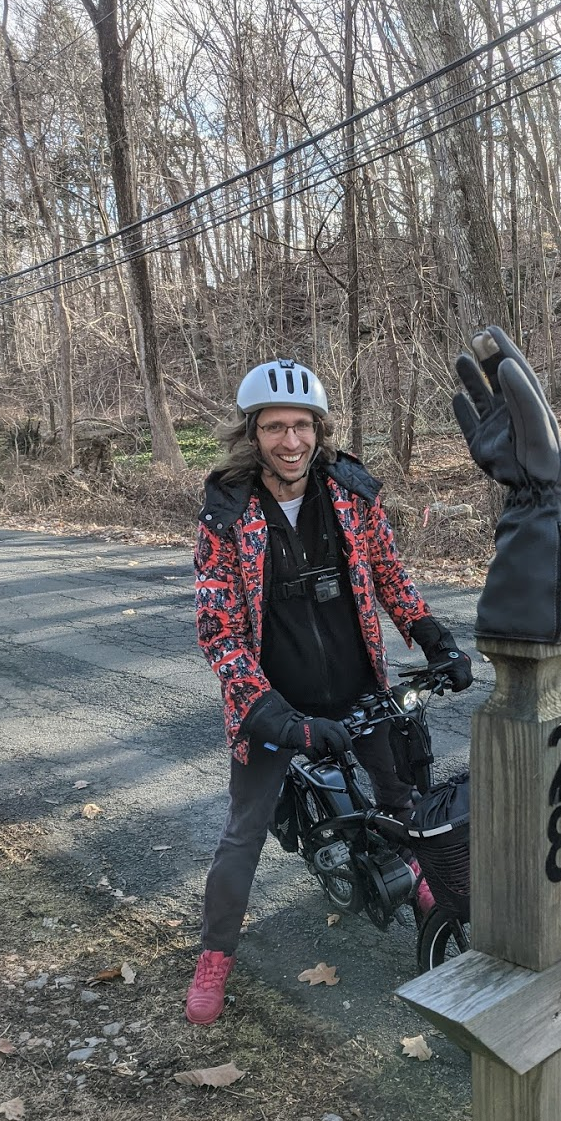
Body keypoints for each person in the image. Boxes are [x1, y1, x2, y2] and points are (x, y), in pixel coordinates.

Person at [186, 358, 473, 1024]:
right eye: (274, 427)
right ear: (252, 433)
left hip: (356, 686)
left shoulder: (349, 491)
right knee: (243, 832)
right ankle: (214, 955)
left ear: (320, 429)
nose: (291, 441)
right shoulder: (225, 515)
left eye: (302, 426)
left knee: (404, 800)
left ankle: (426, 888)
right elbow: (219, 630)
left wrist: (431, 636)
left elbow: (389, 572)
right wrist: (267, 713)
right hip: (271, 703)